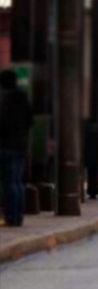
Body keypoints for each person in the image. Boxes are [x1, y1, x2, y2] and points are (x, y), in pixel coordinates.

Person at [0, 70, 33, 227]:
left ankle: (11, 216)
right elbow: (30, 121)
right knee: (18, 182)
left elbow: (2, 122)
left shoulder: (4, 99)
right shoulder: (23, 98)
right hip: (21, 145)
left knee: (9, 183)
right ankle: (19, 215)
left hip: (6, 145)